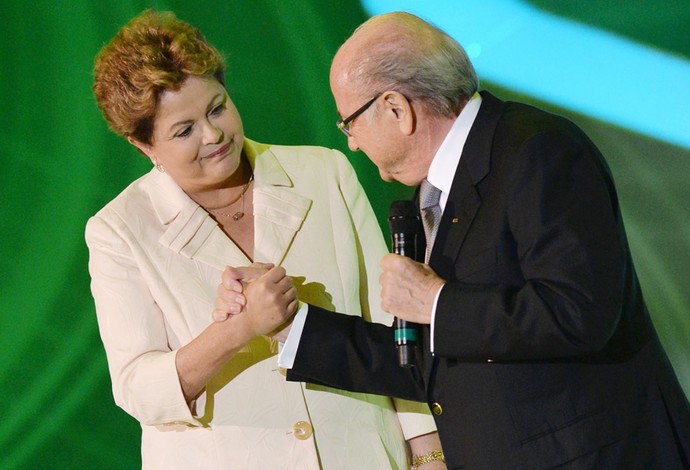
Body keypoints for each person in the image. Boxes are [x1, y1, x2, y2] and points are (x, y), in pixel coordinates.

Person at [218, 11, 690, 470]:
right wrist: (289, 325)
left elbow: (579, 312)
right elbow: (428, 362)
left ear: (395, 108)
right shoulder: (433, 189)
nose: (352, 144)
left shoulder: (539, 150)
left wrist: (436, 301)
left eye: (349, 123)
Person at [86, 9, 443, 469]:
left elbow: (393, 325)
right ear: (144, 146)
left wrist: (427, 448)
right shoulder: (119, 230)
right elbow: (138, 389)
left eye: (217, 108)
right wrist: (237, 329)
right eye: (183, 131)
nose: (214, 135)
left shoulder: (323, 172)